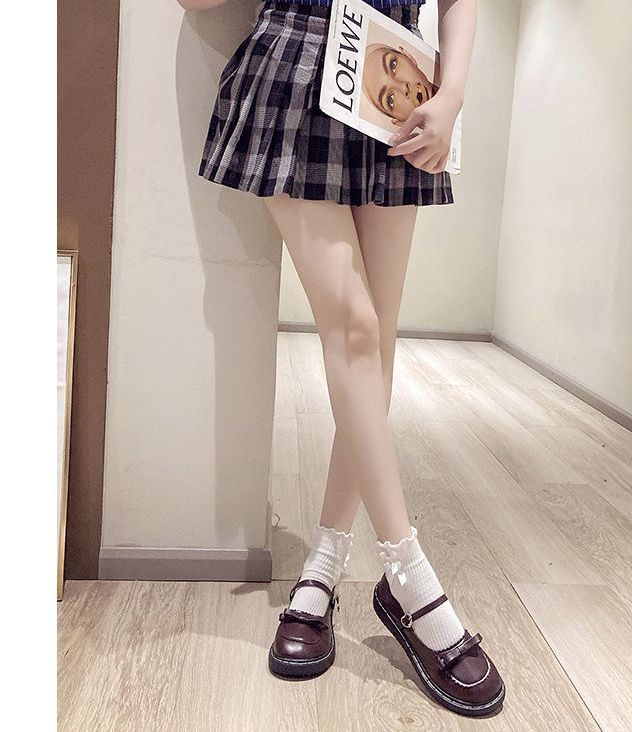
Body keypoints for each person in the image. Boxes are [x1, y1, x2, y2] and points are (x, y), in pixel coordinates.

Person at [181, 0, 505, 717]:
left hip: (395, 80)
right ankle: (409, 576)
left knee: (375, 341)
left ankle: (324, 566)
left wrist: (452, 91)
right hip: (296, 63)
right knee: (356, 328)